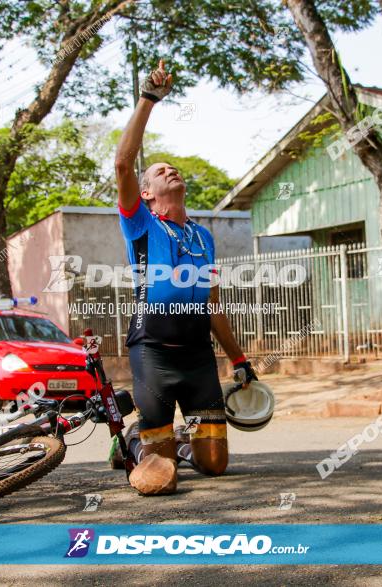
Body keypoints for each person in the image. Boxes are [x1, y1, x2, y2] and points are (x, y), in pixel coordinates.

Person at [111, 59, 257, 495]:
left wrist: (239, 359)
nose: (169, 170)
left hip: (197, 357)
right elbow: (123, 163)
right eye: (157, 171)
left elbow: (213, 305)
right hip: (153, 354)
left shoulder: (204, 237)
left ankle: (179, 441)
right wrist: (148, 99)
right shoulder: (141, 224)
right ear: (147, 194)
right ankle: (135, 441)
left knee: (215, 465)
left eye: (172, 167)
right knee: (161, 474)